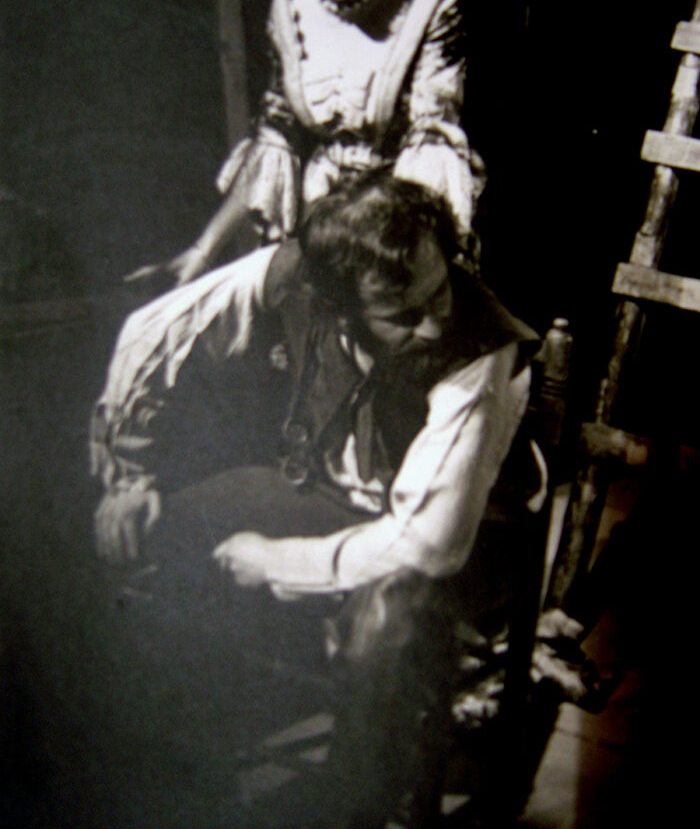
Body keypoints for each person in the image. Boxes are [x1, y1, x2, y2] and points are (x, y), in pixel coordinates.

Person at [91, 173, 544, 828]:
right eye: (401, 314)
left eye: (440, 290)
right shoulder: (297, 272)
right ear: (339, 306)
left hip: (474, 536)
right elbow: (154, 331)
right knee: (160, 532)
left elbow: (430, 543)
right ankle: (196, 781)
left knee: (386, 617)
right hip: (340, 497)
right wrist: (128, 475)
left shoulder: (477, 347)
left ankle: (356, 808)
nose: (435, 322)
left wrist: (274, 561)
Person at [155, 0, 485, 286]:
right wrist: (204, 250)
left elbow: (432, 141)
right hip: (322, 222)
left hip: (404, 227)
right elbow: (276, 140)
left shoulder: (428, 1)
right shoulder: (290, 7)